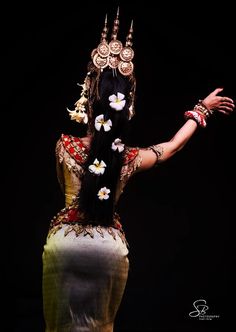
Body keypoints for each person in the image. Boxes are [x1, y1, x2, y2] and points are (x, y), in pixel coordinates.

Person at [42, 9, 235, 332]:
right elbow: (171, 147)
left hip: (64, 243)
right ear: (125, 107)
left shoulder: (64, 146)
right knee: (102, 325)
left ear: (88, 99)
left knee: (58, 326)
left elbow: (66, 187)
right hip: (109, 248)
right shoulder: (128, 158)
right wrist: (202, 109)